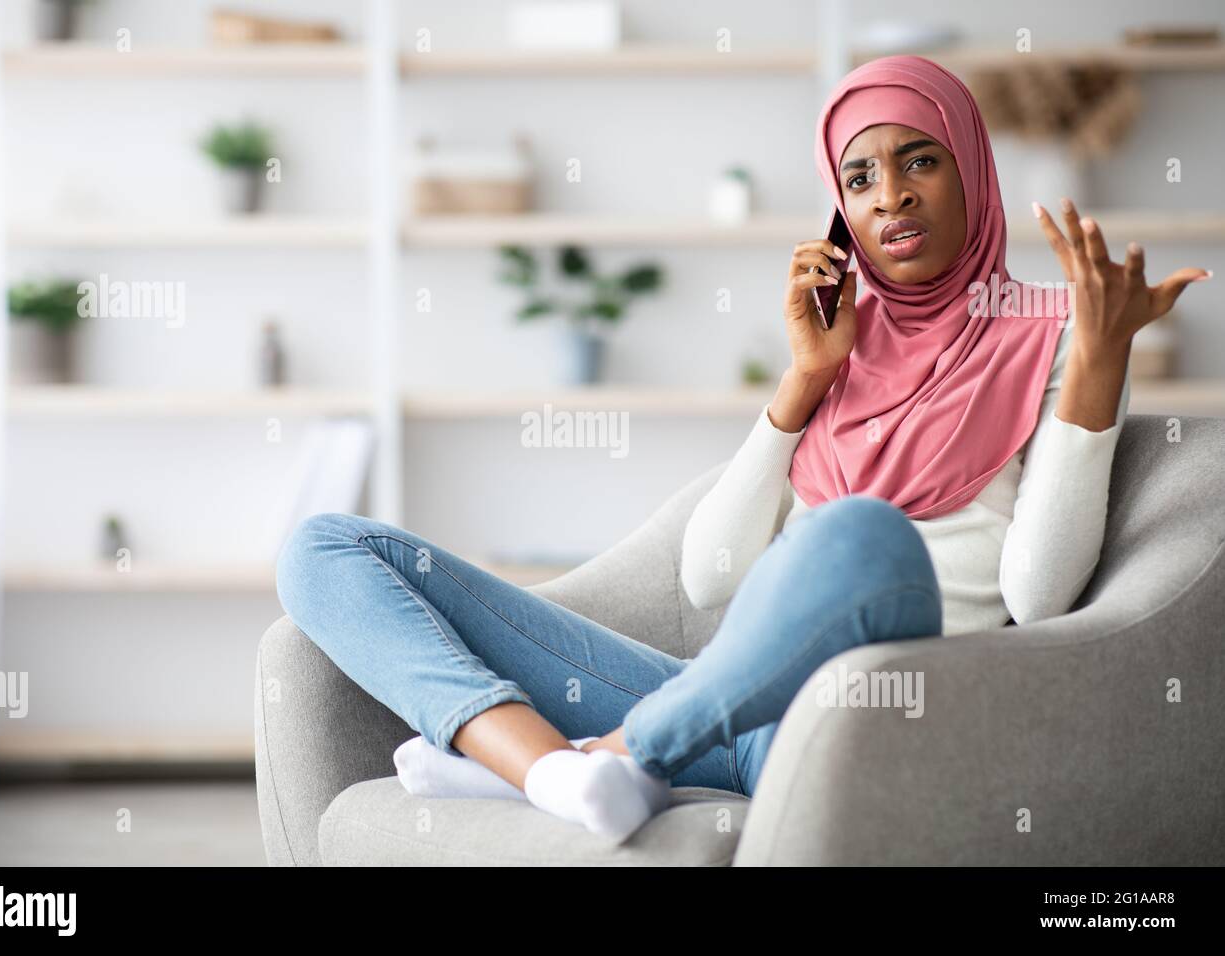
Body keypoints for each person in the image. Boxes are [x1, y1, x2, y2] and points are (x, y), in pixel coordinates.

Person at [275, 55, 1210, 845]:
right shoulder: (840, 337)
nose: (891, 197)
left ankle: (629, 754)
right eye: (859, 178)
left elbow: (1037, 597)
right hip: (726, 710)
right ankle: (552, 775)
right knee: (325, 548)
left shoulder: (1065, 335)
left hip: (867, 717)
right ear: (841, 208)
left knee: (857, 535)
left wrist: (1098, 359)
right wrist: (805, 382)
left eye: (920, 161)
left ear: (971, 169)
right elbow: (710, 579)